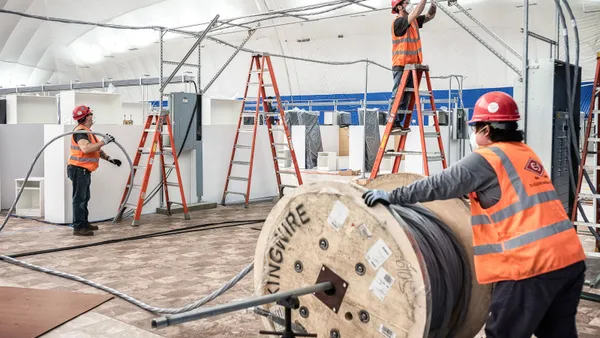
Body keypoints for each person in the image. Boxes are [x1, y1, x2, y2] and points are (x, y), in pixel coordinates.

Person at [363, 91, 587, 338]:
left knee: (502, 333)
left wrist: (392, 196)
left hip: (529, 266)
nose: (474, 133)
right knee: (558, 333)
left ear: (488, 130)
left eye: (476, 127)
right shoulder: (525, 153)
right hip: (569, 259)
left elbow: (439, 184)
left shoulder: (488, 158)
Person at [68, 105, 122, 236]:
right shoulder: (81, 132)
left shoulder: (87, 131)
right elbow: (86, 149)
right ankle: (79, 227)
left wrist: (110, 159)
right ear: (86, 117)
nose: (92, 116)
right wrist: (104, 141)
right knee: (79, 199)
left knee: (85, 198)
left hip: (83, 170)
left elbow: (96, 149)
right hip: (78, 170)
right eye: (90, 114)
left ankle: (84, 223)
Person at [390, 0, 437, 132]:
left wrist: (434, 4)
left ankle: (398, 123)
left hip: (412, 66)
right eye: (407, 2)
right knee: (398, 95)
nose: (409, 4)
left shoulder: (413, 22)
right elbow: (417, 11)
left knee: (407, 97)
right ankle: (392, 122)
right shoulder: (398, 22)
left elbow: (429, 16)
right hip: (401, 65)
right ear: (399, 7)